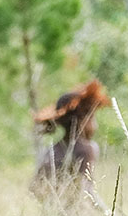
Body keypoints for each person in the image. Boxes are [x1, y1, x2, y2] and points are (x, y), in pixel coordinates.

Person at [31, 79, 109, 207]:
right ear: (82, 120)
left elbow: (34, 189)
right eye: (92, 118)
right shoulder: (86, 149)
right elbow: (88, 192)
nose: (96, 125)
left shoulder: (50, 150)